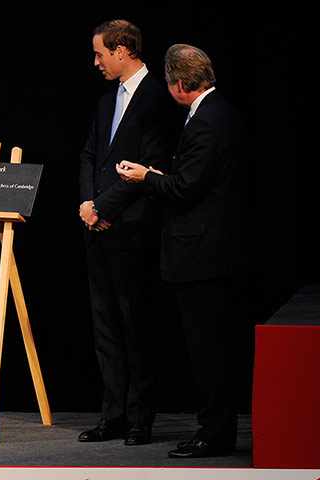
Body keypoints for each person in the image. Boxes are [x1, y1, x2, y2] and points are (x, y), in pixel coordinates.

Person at [117, 44, 247, 458]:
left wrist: (146, 177)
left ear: (179, 84)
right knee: (209, 348)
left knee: (208, 351)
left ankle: (215, 434)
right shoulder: (217, 110)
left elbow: (187, 187)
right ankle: (215, 429)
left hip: (203, 254)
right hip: (210, 251)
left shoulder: (208, 121)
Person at [77, 19, 176, 446]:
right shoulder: (105, 100)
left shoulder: (158, 98)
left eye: (101, 53)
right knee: (106, 329)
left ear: (123, 50)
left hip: (133, 229)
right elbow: (89, 155)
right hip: (97, 229)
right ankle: (112, 414)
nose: (96, 61)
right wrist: (87, 206)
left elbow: (150, 165)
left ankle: (140, 418)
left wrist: (102, 206)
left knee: (137, 328)